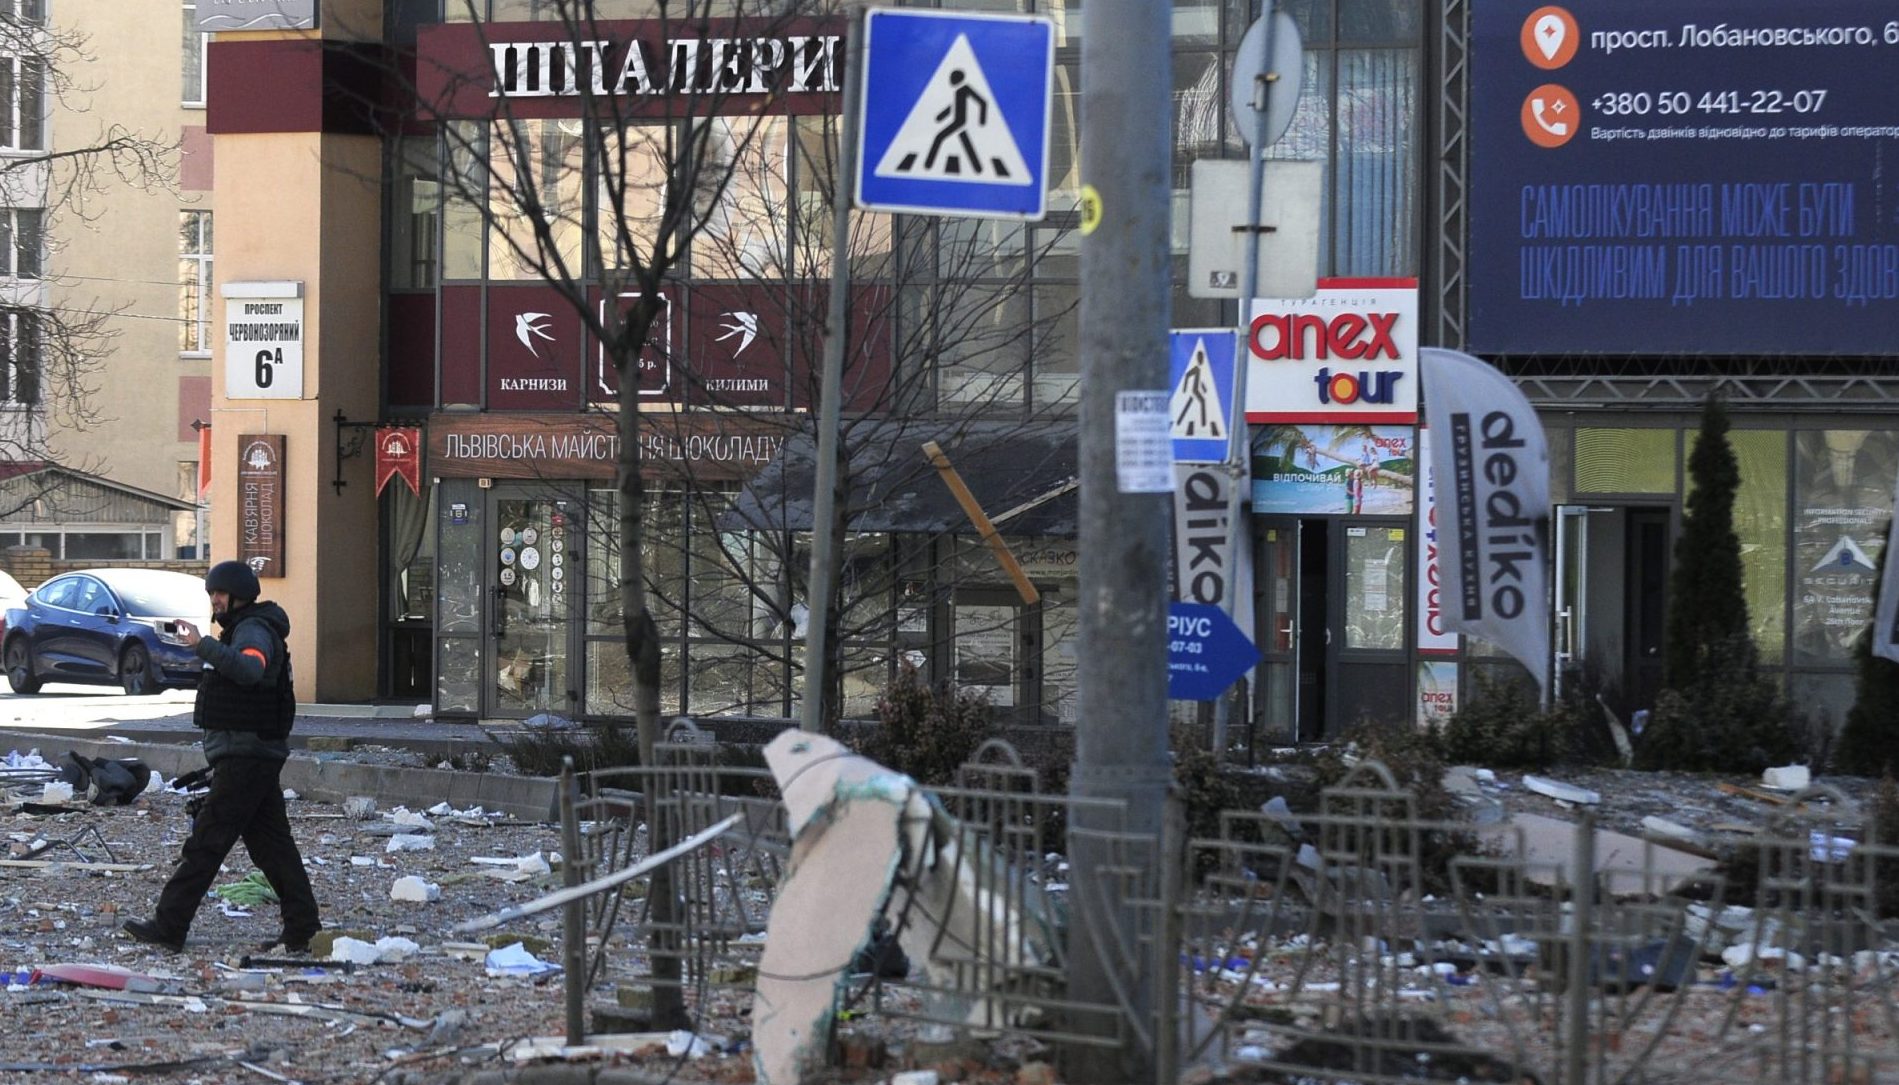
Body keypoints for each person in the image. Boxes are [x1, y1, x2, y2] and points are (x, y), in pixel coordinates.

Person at [123, 561, 320, 954]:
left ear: (240, 595)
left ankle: (169, 924)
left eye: (221, 594)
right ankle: (303, 928)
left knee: (207, 841)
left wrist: (202, 645)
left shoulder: (252, 630)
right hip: (251, 755)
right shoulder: (243, 628)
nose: (215, 600)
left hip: (247, 756)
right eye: (211, 593)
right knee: (272, 847)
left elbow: (250, 668)